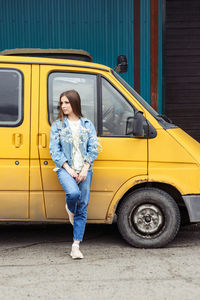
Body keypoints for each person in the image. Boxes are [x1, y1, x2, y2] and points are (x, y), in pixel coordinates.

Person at [49, 90, 98, 259]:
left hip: (84, 169)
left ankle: (75, 246)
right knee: (73, 194)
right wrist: (68, 169)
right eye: (61, 103)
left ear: (75, 103)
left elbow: (93, 148)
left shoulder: (87, 124)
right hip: (65, 169)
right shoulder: (58, 125)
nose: (63, 106)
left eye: (66, 102)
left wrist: (85, 168)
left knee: (83, 206)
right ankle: (70, 209)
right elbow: (54, 151)